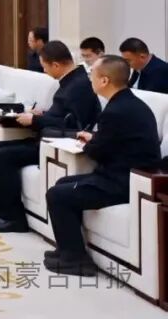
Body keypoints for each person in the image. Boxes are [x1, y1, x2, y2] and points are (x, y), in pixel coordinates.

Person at [45, 55, 161, 276]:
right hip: (122, 174)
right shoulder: (129, 103)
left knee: (57, 195)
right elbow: (113, 141)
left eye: (92, 75)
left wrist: (90, 144)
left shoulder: (115, 111)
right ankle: (67, 249)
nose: (90, 79)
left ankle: (77, 260)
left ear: (105, 80)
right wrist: (95, 139)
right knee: (62, 183)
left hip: (122, 181)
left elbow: (99, 152)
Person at [0, 42, 101, 233]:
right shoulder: (71, 82)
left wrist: (35, 120)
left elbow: (73, 125)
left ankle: (14, 218)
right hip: (47, 137)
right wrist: (41, 115)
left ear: (56, 65)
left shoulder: (78, 86)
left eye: (45, 66)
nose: (44, 71)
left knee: (4, 155)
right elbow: (62, 115)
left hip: (57, 144)